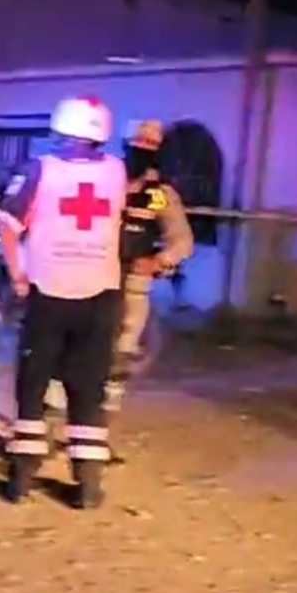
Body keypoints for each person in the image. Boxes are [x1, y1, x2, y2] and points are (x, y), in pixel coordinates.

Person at [0, 95, 127, 509]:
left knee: (34, 383)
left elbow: (6, 224)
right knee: (88, 386)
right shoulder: (117, 170)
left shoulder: (40, 168)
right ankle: (87, 485)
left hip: (47, 288)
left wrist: (17, 274)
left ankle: (21, 478)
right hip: (102, 291)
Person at [106, 120, 194, 412]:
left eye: (150, 147)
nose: (142, 153)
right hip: (94, 272)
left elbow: (182, 241)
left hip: (133, 279)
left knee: (125, 342)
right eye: (137, 146)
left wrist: (158, 260)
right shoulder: (104, 181)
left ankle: (106, 404)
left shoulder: (160, 194)